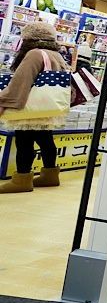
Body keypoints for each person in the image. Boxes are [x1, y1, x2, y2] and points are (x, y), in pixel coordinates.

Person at [0, 22, 70, 193]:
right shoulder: (56, 54)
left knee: (24, 141)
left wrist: (3, 101)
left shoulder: (34, 54)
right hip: (47, 106)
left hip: (29, 107)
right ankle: (50, 175)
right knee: (46, 140)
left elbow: (21, 81)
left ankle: (22, 179)